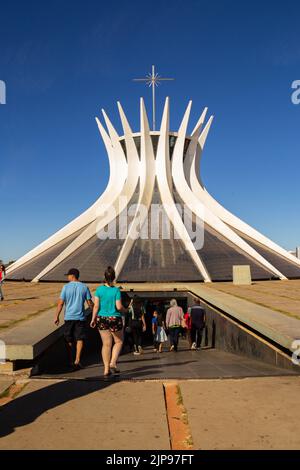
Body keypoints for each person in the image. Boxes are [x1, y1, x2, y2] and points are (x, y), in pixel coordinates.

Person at [90, 266, 128, 378]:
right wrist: (125, 310)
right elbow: (119, 306)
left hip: (101, 318)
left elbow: (96, 306)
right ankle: (113, 362)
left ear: (104, 277)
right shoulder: (116, 290)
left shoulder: (99, 290)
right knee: (119, 342)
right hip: (114, 318)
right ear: (114, 277)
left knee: (106, 344)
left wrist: (93, 319)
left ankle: (106, 369)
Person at [55, 268, 94, 370]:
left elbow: (61, 303)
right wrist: (95, 313)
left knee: (68, 338)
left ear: (72, 276)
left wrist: (57, 316)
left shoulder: (65, 287)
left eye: (68, 275)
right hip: (80, 318)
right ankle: (77, 360)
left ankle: (71, 359)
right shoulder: (84, 287)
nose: (67, 277)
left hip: (69, 317)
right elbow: (90, 303)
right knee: (80, 338)